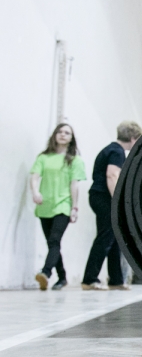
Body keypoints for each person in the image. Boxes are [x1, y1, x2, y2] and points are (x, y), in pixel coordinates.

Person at [81, 121, 142, 290]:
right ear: (132, 138)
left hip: (99, 196)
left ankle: (116, 280)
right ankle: (89, 279)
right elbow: (112, 176)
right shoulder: (117, 151)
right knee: (105, 237)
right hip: (104, 197)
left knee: (114, 237)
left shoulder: (110, 149)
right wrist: (119, 201)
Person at [30, 124, 86, 290]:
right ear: (55, 135)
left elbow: (74, 185)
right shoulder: (43, 157)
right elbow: (34, 177)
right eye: (60, 132)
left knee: (54, 240)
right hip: (44, 206)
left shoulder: (75, 160)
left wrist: (74, 208)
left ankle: (45, 273)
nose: (63, 135)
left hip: (63, 205)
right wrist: (35, 192)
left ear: (71, 138)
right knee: (52, 243)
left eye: (67, 133)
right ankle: (62, 277)